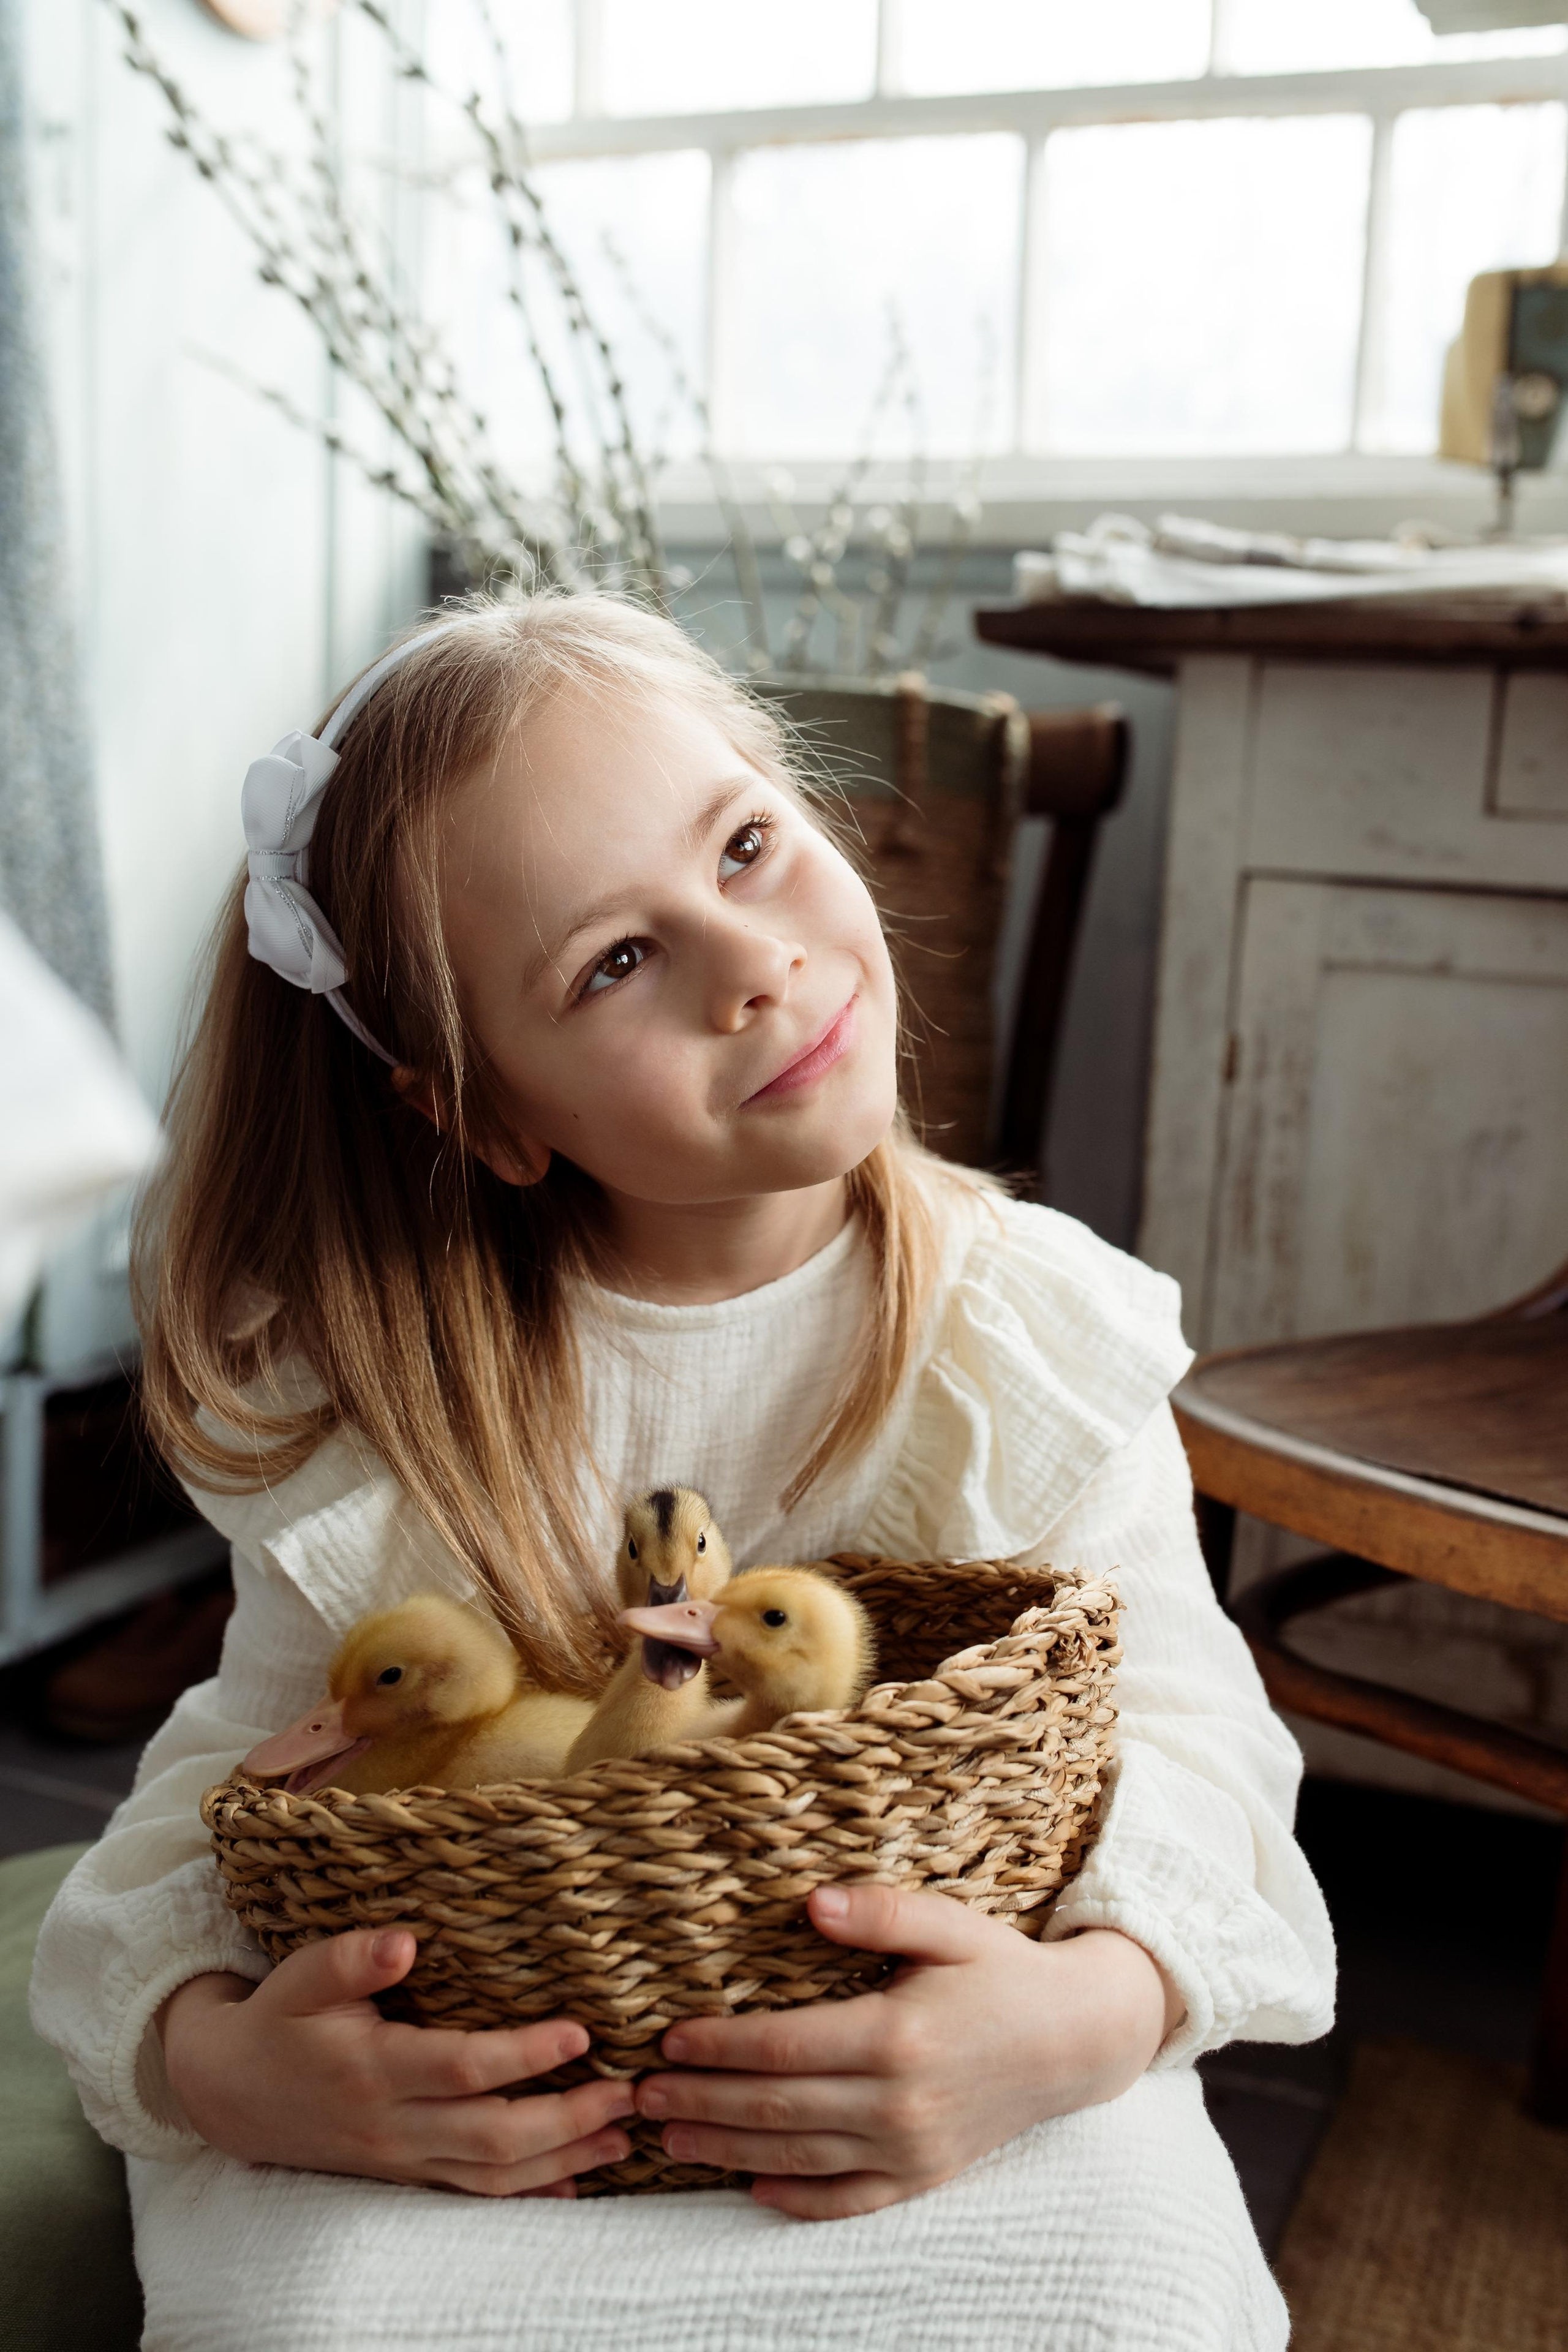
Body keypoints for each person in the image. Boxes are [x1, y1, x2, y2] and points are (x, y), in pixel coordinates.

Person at [31, 595, 1333, 2351]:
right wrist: (226, 2068)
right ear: (486, 1113)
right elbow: (233, 1795)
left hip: (924, 2072)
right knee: (308, 2318)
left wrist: (1078, 2023)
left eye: (745, 846)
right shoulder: (406, 1400)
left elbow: (1197, 1747)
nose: (755, 962)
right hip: (515, 2104)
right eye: (615, 965)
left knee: (1144, 2299)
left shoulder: (1023, 1338)